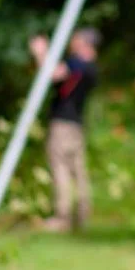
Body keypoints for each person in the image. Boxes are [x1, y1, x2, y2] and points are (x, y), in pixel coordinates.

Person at [28, 27, 100, 232]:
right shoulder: (92, 68)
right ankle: (82, 215)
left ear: (83, 43)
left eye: (75, 39)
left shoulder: (78, 63)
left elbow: (53, 74)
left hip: (62, 124)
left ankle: (63, 218)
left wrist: (41, 52)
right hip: (77, 124)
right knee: (78, 170)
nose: (71, 43)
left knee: (60, 169)